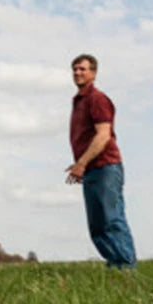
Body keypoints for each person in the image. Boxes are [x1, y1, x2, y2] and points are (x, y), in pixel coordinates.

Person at [64, 54, 137, 269]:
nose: (77, 72)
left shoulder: (97, 99)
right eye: (75, 69)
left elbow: (103, 135)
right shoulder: (79, 101)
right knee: (96, 225)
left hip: (105, 167)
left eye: (83, 69)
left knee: (111, 219)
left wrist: (81, 163)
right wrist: (81, 165)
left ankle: (126, 268)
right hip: (92, 169)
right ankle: (116, 266)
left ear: (93, 73)